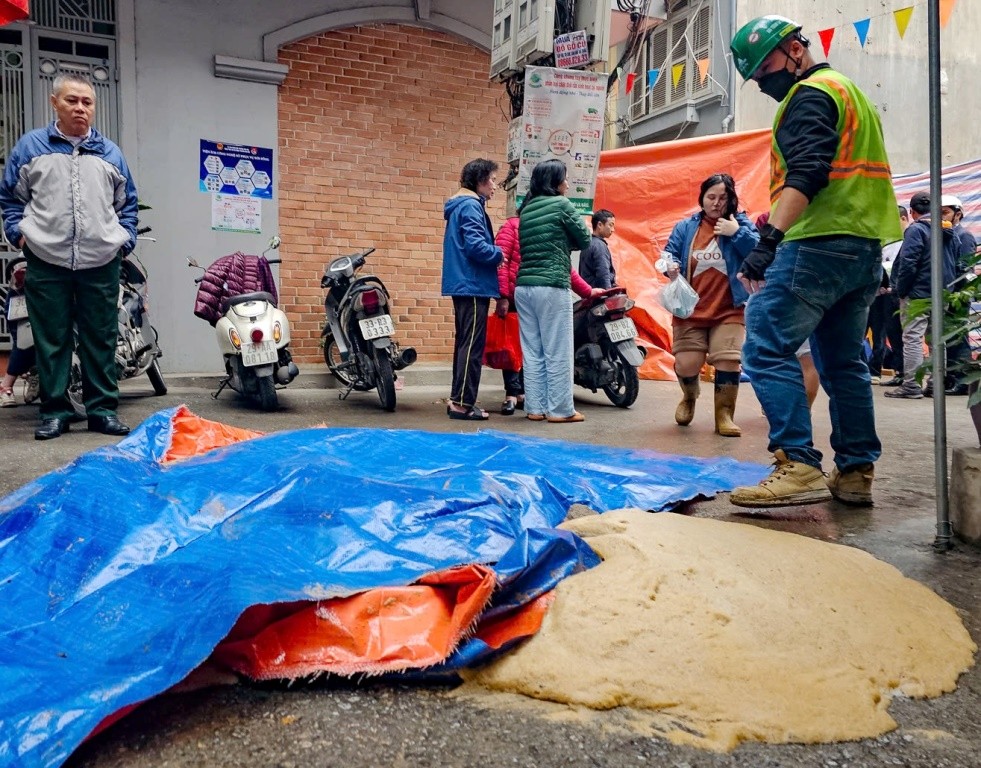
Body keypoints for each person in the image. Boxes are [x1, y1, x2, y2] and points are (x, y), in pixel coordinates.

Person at [727, 16, 903, 507]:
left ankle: (797, 463)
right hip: (863, 246)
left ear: (796, 51)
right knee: (844, 363)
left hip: (817, 243)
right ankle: (854, 472)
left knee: (765, 345)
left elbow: (808, 171)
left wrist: (767, 242)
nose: (764, 83)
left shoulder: (808, 97)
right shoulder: (851, 93)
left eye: (766, 71)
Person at [0, 73, 138, 440]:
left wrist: (125, 240)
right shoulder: (30, 148)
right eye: (71, 100)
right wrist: (18, 235)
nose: (80, 108)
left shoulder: (110, 154)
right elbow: (11, 199)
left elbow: (128, 204)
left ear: (94, 108)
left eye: (87, 102)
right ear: (54, 102)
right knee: (51, 339)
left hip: (101, 260)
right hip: (47, 260)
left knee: (101, 337)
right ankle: (55, 412)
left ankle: (102, 410)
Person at [662, 173, 758, 437]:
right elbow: (668, 252)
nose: (716, 203)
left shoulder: (741, 223)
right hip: (690, 309)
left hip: (729, 309)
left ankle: (724, 415)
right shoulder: (686, 227)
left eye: (723, 198)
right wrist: (669, 267)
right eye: (711, 197)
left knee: (729, 360)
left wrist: (737, 233)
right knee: (687, 365)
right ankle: (689, 396)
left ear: (732, 200)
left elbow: (761, 251)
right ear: (702, 198)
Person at [515, 159, 595, 423]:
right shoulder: (562, 205)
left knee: (533, 351)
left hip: (524, 287)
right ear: (554, 182)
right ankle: (561, 410)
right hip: (552, 284)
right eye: (565, 179)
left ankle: (535, 409)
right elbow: (584, 239)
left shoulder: (525, 210)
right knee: (558, 350)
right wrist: (565, 242)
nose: (568, 184)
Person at [441, 158, 503, 421]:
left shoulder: (461, 205)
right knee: (472, 346)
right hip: (473, 284)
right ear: (479, 181)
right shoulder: (470, 206)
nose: (495, 186)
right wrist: (499, 254)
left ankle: (459, 400)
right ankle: (463, 404)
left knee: (465, 343)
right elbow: (477, 247)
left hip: (465, 283)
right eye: (491, 180)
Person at [885, 192, 958, 400]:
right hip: (943, 292)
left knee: (912, 338)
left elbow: (909, 262)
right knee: (937, 340)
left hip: (917, 294)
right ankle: (936, 384)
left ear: (912, 211)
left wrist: (902, 289)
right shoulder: (948, 231)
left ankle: (911, 385)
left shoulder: (916, 230)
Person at [879, 205, 909, 387]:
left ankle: (910, 375)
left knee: (909, 335)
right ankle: (900, 371)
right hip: (887, 294)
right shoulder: (887, 241)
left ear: (905, 218)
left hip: (905, 293)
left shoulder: (912, 237)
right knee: (893, 333)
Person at [578, 209, 617, 289]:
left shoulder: (587, 244)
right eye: (611, 225)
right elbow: (603, 274)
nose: (613, 230)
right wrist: (608, 293)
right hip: (599, 296)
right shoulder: (599, 246)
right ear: (599, 225)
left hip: (588, 294)